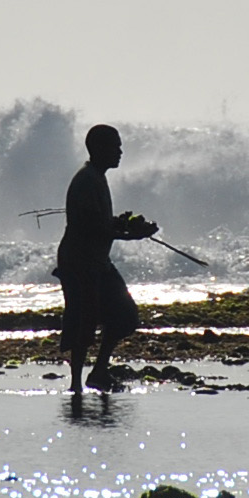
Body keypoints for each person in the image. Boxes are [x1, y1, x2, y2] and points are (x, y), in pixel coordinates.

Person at [56, 123, 159, 393]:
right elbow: (94, 229)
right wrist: (131, 234)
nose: (120, 151)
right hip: (79, 262)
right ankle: (77, 384)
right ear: (98, 149)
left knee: (124, 315)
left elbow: (100, 222)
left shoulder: (97, 177)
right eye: (115, 146)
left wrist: (124, 225)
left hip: (97, 262)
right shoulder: (86, 180)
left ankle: (99, 371)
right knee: (82, 321)